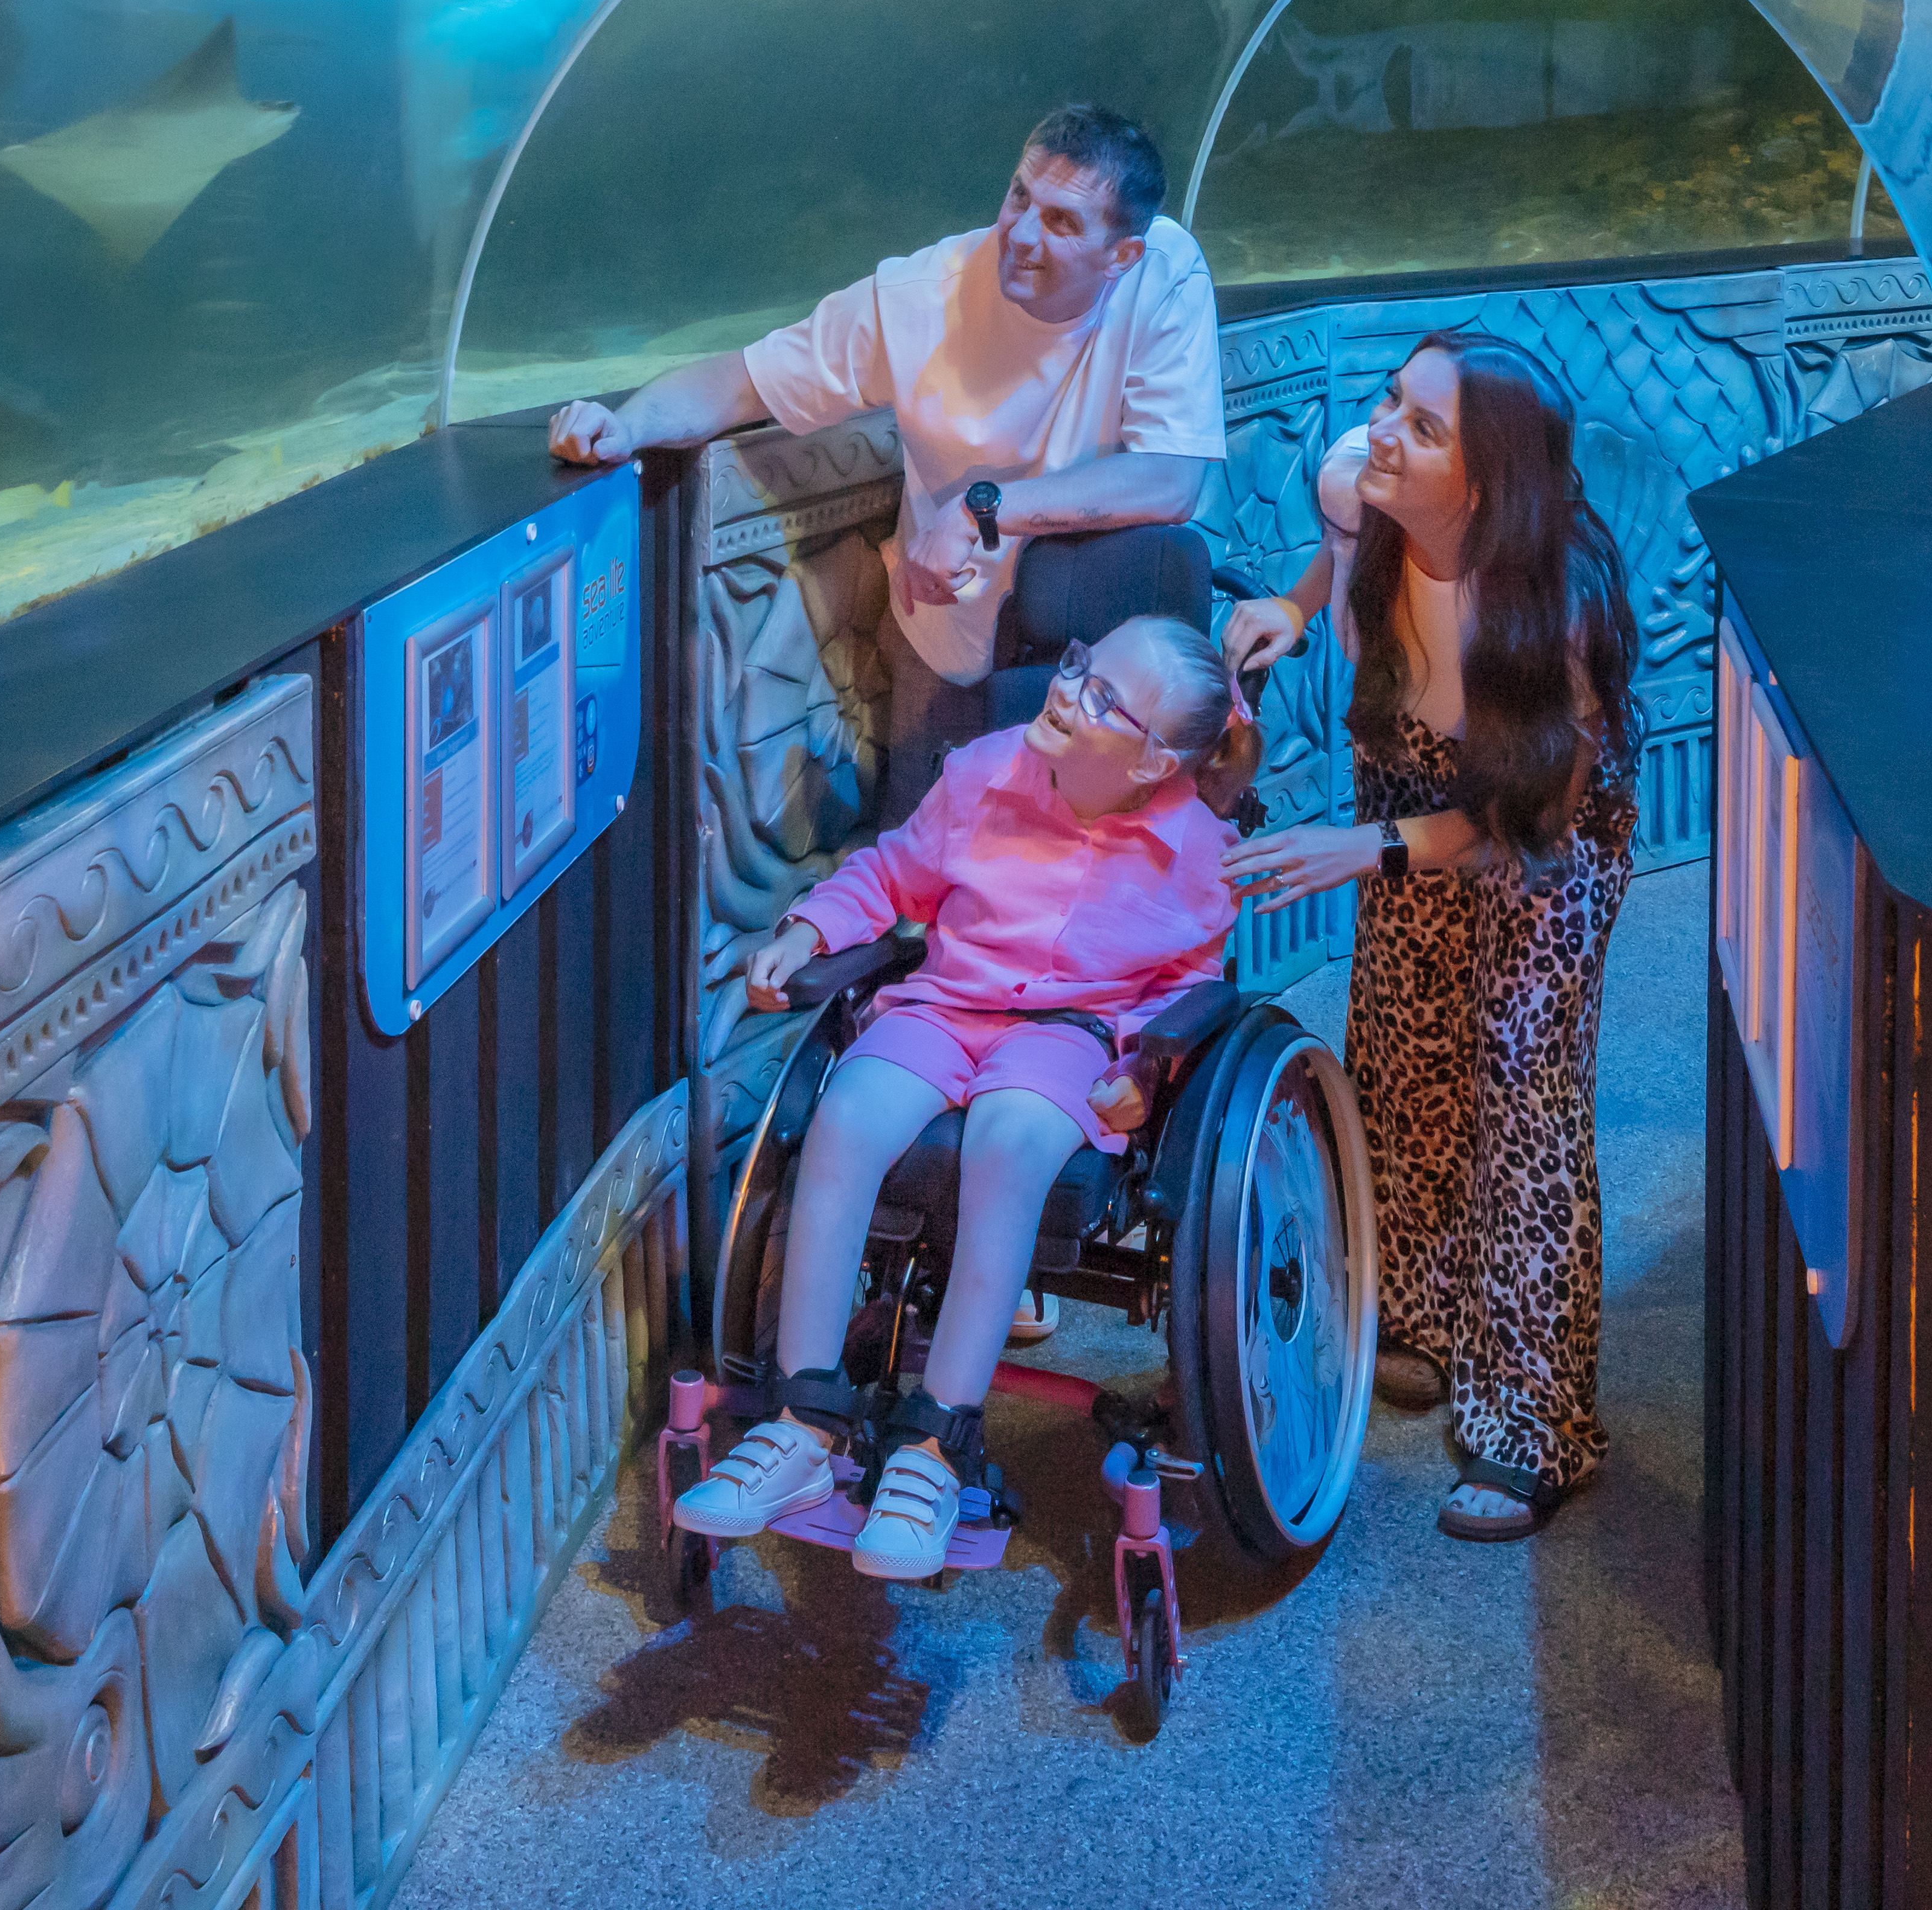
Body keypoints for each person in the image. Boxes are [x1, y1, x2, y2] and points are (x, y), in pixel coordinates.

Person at [669, 620, 1257, 1577]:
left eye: (1104, 699)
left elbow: (1191, 988)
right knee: (846, 1118)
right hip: (946, 1004)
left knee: (1010, 1141)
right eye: (1080, 668)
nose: (1069, 693)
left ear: (1154, 762)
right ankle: (804, 1427)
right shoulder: (985, 772)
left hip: (1073, 1035)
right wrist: (811, 930)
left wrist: (1148, 1075)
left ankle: (935, 1449)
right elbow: (890, 874)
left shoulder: (1194, 849)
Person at [1219, 334, 1641, 1542]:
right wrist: (1292, 609)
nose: (1383, 429)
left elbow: (1536, 814)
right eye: (1392, 400)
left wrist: (1373, 849)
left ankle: (1535, 1419)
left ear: (1490, 479)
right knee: (1402, 1050)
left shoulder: (1554, 606)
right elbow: (1336, 555)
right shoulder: (1369, 483)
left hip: (1541, 839)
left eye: (1424, 424)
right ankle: (1422, 1312)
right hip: (1410, 790)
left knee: (1521, 1094)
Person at [551, 104, 1221, 813]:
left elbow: (1171, 478)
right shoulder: (919, 298)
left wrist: (980, 509)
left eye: (1061, 221)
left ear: (1122, 256)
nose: (1021, 234)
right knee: (927, 861)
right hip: (950, 636)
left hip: (1114, 673)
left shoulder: (1165, 272)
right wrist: (624, 426)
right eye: (1019, 195)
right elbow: (745, 381)